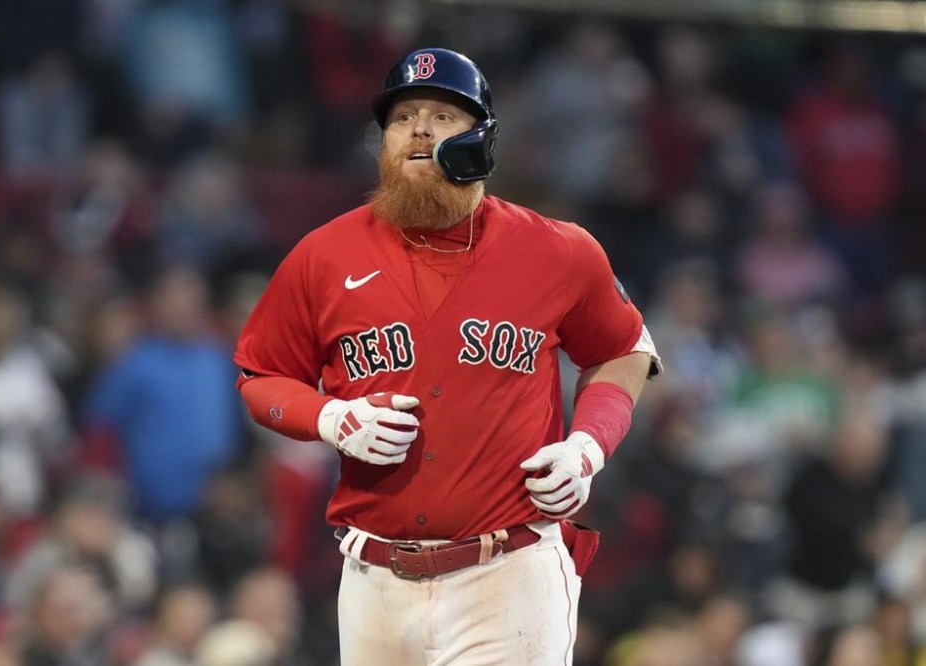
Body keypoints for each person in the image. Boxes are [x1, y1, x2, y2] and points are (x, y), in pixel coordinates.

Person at [233, 47, 661, 665]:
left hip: (507, 573)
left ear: (483, 139)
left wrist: (586, 448)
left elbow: (625, 351)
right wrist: (329, 418)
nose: (421, 129)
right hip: (372, 578)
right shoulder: (322, 257)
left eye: (443, 115)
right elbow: (260, 377)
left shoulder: (557, 251)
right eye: (404, 116)